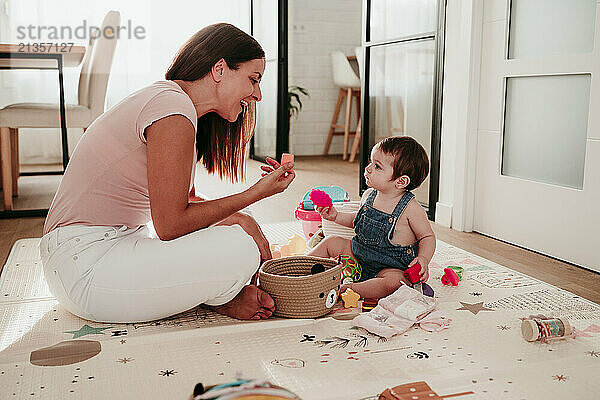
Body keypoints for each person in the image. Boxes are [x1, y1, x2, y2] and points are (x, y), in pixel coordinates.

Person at [39, 23, 295, 323]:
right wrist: (254, 195)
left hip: (100, 252)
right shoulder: (172, 108)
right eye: (253, 79)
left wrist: (241, 217)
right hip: (84, 268)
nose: (258, 95)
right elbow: (171, 225)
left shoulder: (176, 106)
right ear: (220, 69)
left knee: (234, 232)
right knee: (241, 248)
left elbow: (185, 204)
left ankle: (212, 294)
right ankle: (218, 296)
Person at [307, 136, 435, 299]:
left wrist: (423, 258)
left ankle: (347, 289)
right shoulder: (369, 195)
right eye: (371, 162)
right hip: (359, 254)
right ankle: (299, 267)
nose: (368, 168)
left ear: (401, 181)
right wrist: (336, 216)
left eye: (377, 166)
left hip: (390, 268)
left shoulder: (411, 208)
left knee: (395, 284)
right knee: (331, 242)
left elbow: (427, 236)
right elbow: (360, 222)